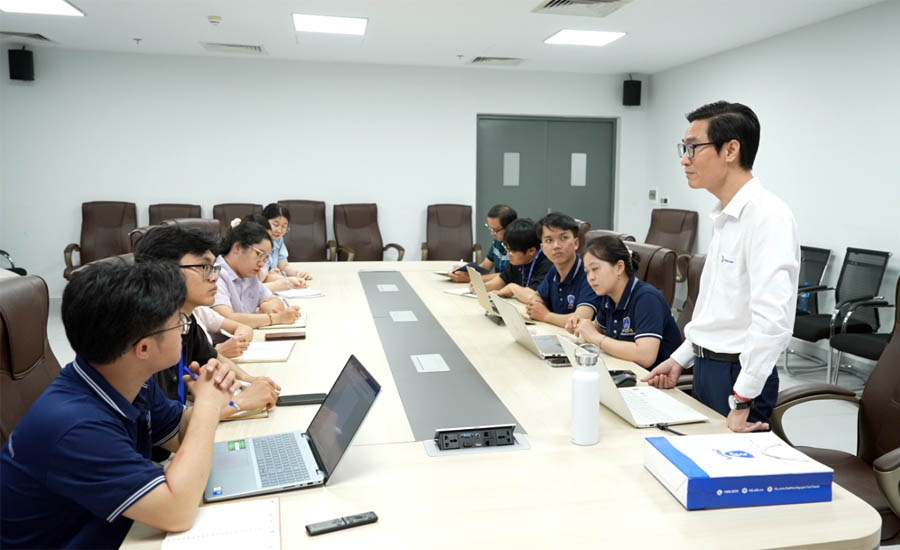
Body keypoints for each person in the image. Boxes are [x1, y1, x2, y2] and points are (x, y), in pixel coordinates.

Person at [1, 262, 240, 548]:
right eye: (179, 323)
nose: (183, 330)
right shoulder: (76, 427)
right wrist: (208, 406)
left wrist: (209, 395)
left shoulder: (126, 379)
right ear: (143, 349)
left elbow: (177, 434)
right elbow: (177, 512)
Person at [641, 100, 799, 433]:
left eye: (693, 148)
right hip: (706, 367)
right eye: (683, 148)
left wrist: (743, 399)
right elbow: (716, 310)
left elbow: (773, 322)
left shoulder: (768, 216)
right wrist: (680, 358)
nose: (684, 159)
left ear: (730, 150)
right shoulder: (724, 217)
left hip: (739, 379)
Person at [134, 225, 280, 415]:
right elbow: (166, 427)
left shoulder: (185, 319)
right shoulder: (147, 337)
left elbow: (213, 357)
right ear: (165, 271)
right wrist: (240, 403)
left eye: (214, 268)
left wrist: (249, 381)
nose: (214, 278)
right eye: (205, 268)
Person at [566, 236, 682, 368]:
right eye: (587, 272)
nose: (590, 278)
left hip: (654, 381)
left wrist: (595, 337)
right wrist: (582, 325)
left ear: (619, 267)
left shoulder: (647, 298)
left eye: (595, 269)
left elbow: (645, 356)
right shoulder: (609, 296)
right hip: (623, 369)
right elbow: (599, 329)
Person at [516, 212, 601, 328]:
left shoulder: (589, 273)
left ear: (576, 243)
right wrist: (536, 304)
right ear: (543, 248)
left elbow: (581, 319)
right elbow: (538, 296)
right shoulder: (554, 270)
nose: (556, 246)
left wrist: (546, 316)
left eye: (563, 238)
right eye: (549, 240)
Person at [212, 219, 302, 329]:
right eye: (259, 255)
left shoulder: (249, 274)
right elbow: (225, 319)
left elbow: (276, 300)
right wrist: (276, 318)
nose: (261, 264)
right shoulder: (215, 274)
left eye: (265, 259)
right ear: (238, 248)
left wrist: (265, 303)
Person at [480, 218, 553, 303]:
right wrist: (482, 287)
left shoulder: (548, 263)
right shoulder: (517, 261)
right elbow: (502, 280)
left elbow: (534, 297)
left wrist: (512, 288)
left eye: (512, 252)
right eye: (507, 250)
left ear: (531, 251)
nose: (508, 254)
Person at [447, 204, 517, 283]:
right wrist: (465, 271)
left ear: (509, 227)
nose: (492, 233)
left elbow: (509, 276)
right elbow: (485, 267)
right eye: (490, 228)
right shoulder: (498, 242)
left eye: (495, 230)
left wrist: (470, 278)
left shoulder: (518, 247)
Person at [260, 204, 313, 290]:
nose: (279, 230)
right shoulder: (256, 242)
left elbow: (283, 266)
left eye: (284, 226)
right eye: (275, 224)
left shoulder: (278, 240)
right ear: (264, 221)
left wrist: (298, 273)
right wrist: (278, 279)